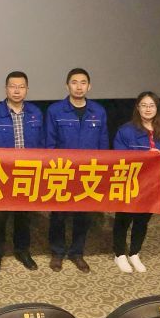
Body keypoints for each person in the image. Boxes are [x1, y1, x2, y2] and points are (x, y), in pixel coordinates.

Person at [45, 68, 108, 273]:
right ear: (67, 86)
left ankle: (77, 252)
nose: (78, 87)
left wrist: (102, 170)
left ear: (89, 86)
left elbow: (103, 144)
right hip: (62, 171)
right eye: (74, 82)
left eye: (83, 83)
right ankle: (57, 252)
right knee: (59, 214)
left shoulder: (99, 111)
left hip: (89, 172)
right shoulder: (55, 111)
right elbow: (49, 144)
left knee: (84, 214)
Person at [0, 71, 44, 273]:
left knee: (24, 216)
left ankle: (22, 251)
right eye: (12, 86)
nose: (17, 91)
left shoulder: (36, 113)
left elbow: (42, 144)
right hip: (2, 174)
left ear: (27, 89)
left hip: (27, 172)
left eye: (21, 87)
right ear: (6, 89)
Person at [112, 91, 160, 273]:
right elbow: (119, 157)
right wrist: (146, 156)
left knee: (142, 220)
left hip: (152, 184)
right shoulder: (126, 130)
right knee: (123, 218)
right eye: (144, 105)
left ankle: (135, 252)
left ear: (157, 108)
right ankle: (119, 254)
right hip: (130, 181)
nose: (148, 109)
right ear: (138, 108)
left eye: (151, 105)